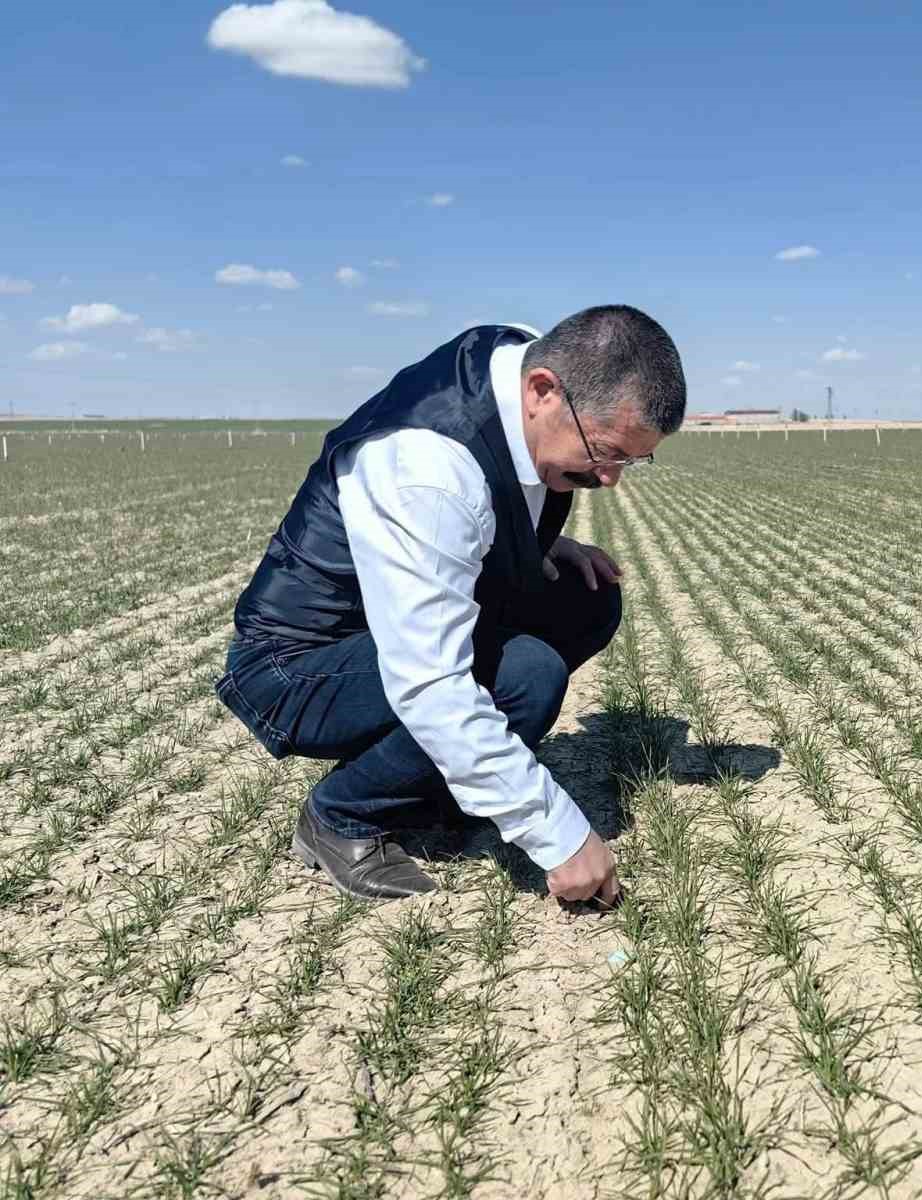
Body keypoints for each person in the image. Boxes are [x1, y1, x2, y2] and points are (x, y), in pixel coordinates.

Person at [213, 306, 686, 904]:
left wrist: (543, 544)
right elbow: (431, 683)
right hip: (296, 665)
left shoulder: (524, 366)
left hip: (384, 628)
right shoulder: (429, 467)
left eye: (630, 461)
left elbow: (489, 500)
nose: (611, 478)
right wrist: (558, 834)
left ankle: (438, 783)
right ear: (542, 392)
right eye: (605, 452)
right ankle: (341, 815)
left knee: (585, 599)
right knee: (524, 676)